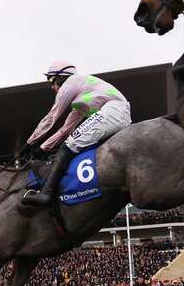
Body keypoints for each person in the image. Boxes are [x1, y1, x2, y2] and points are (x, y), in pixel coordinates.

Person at [20, 62, 132, 207]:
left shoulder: (70, 83)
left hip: (112, 111)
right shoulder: (81, 96)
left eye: (51, 80)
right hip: (119, 113)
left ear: (61, 77)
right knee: (72, 140)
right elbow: (65, 130)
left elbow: (51, 118)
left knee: (70, 144)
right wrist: (42, 148)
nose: (52, 87)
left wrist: (29, 143)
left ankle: (46, 193)